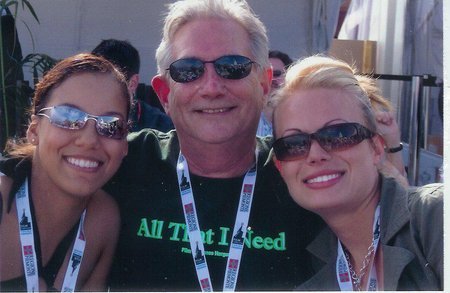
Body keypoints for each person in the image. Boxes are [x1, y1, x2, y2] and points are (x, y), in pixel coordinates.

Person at [104, 0, 323, 291]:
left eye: (232, 67)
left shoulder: (302, 169)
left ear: (264, 84)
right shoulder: (122, 161)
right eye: (188, 70)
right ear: (165, 94)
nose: (211, 88)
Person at [271, 55, 443, 290]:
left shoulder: (436, 217)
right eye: (294, 144)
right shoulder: (307, 274)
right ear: (281, 167)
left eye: (338, 135)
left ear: (376, 147)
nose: (315, 154)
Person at [0, 53, 130, 291]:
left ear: (125, 146)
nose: (89, 140)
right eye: (68, 117)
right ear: (34, 130)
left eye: (111, 125)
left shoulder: (103, 220)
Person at [92, 39, 174, 132]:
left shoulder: (162, 128)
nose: (95, 91)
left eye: (105, 84)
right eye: (90, 82)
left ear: (132, 84)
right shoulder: (82, 116)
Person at [256, 50, 292, 137]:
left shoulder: (299, 117)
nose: (271, 79)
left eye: (276, 74)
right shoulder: (247, 119)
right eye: (264, 75)